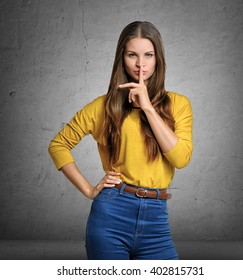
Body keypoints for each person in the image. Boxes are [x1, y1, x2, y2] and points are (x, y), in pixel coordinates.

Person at [48, 21, 193, 260]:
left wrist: (147, 107)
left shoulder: (178, 104)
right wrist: (88, 189)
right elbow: (58, 145)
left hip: (157, 219)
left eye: (148, 55)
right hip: (111, 216)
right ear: (121, 58)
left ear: (158, 58)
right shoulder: (104, 107)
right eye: (132, 55)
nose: (140, 64)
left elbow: (180, 158)